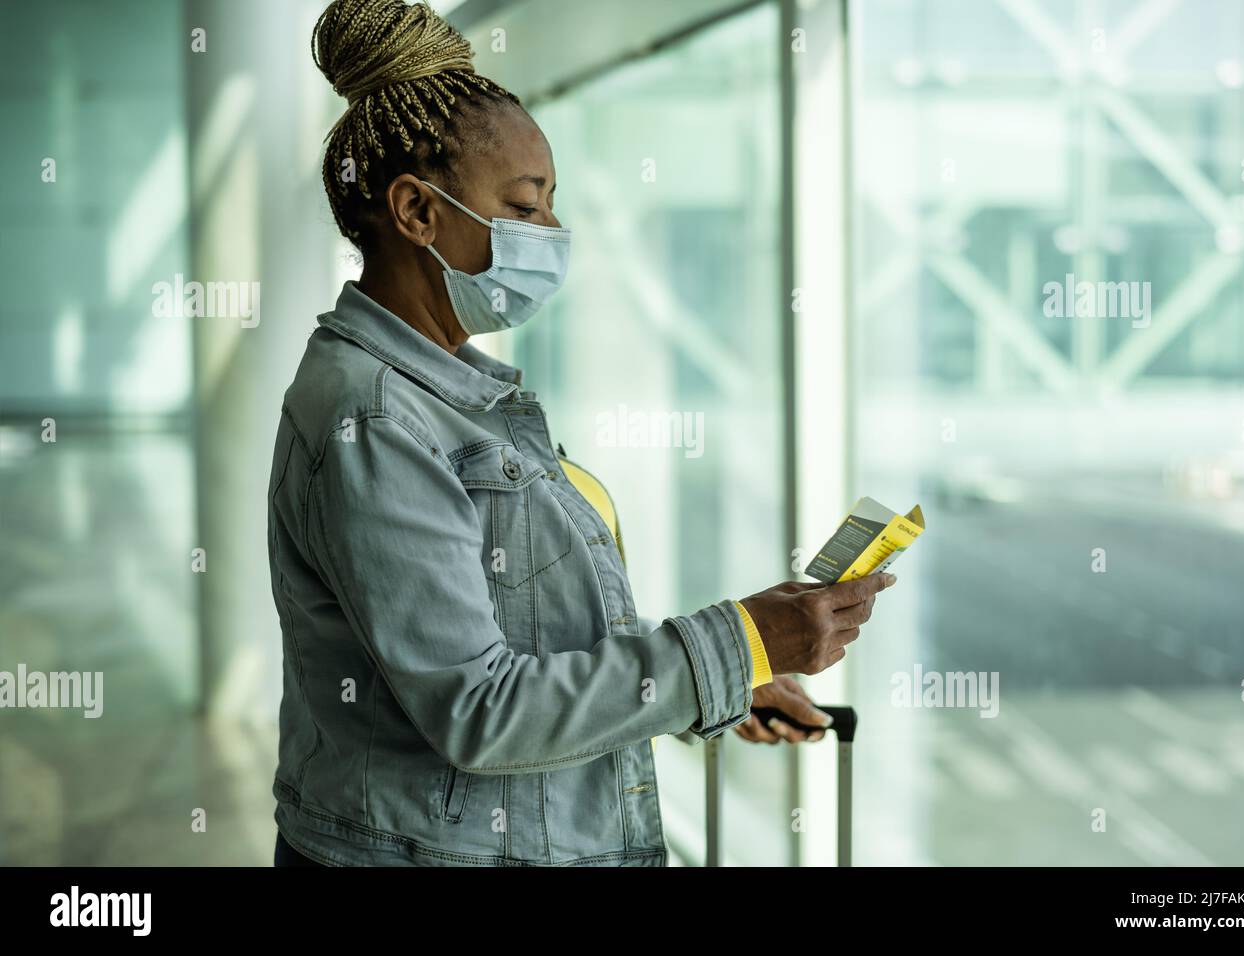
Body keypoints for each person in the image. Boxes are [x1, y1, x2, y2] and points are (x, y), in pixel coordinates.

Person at [267, 0, 896, 867]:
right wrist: (737, 638)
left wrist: (715, 682)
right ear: (416, 210)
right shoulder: (373, 416)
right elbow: (481, 710)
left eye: (552, 205)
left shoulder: (445, 391)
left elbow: (528, 642)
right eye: (525, 208)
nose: (553, 236)